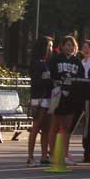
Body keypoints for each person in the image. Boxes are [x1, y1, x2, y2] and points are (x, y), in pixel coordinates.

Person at [48, 36, 84, 162]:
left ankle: (64, 154)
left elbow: (81, 79)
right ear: (62, 46)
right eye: (67, 45)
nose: (70, 48)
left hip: (71, 96)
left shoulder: (77, 62)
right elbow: (49, 77)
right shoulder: (55, 60)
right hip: (57, 95)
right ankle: (52, 154)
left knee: (67, 127)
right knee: (55, 125)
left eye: (72, 45)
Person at [26, 37, 54, 166]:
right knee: (36, 127)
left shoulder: (47, 62)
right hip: (39, 98)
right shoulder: (36, 62)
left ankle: (44, 156)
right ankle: (30, 157)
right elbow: (35, 81)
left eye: (51, 46)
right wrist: (47, 80)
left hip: (48, 97)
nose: (51, 49)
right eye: (49, 46)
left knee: (46, 129)